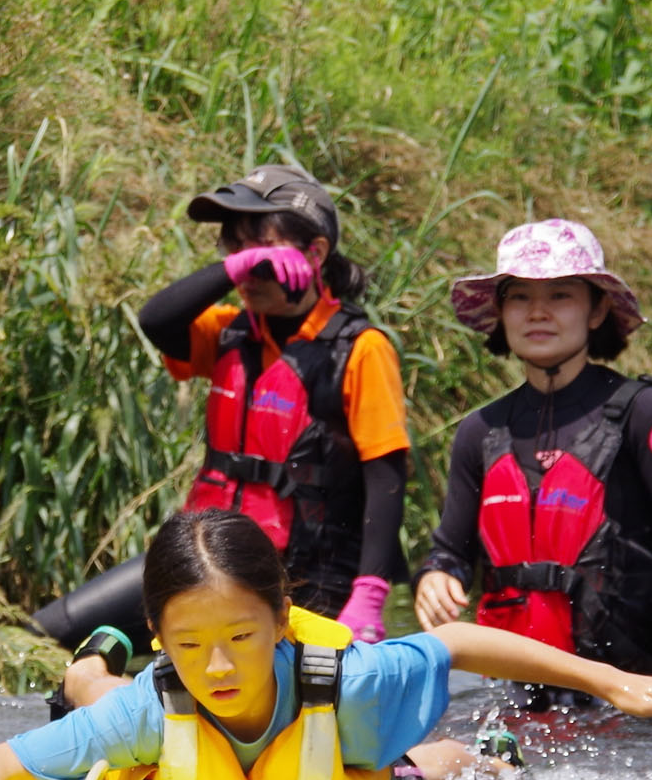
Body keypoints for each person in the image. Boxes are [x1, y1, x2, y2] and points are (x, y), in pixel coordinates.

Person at [0, 508, 652, 780]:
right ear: (162, 639)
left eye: (242, 637)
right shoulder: (164, 690)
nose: (219, 666)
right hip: (145, 710)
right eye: (192, 644)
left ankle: (489, 753)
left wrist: (612, 680)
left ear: (281, 620)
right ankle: (93, 662)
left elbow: (454, 642)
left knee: (424, 773)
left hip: (346, 774)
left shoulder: (350, 681)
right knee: (115, 706)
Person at [36, 164, 412, 710]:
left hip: (299, 578)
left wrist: (370, 593)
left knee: (262, 706)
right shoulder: (229, 331)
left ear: (315, 252)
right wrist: (237, 265)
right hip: (199, 558)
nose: (245, 260)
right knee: (51, 631)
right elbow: (157, 320)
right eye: (233, 243)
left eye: (261, 241)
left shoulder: (361, 348)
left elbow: (386, 476)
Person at [415, 219, 652, 709]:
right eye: (519, 297)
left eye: (560, 296)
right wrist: (435, 576)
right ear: (500, 312)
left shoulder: (641, 412)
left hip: (638, 688)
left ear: (597, 311)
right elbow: (450, 550)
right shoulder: (480, 432)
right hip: (521, 697)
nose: (537, 313)